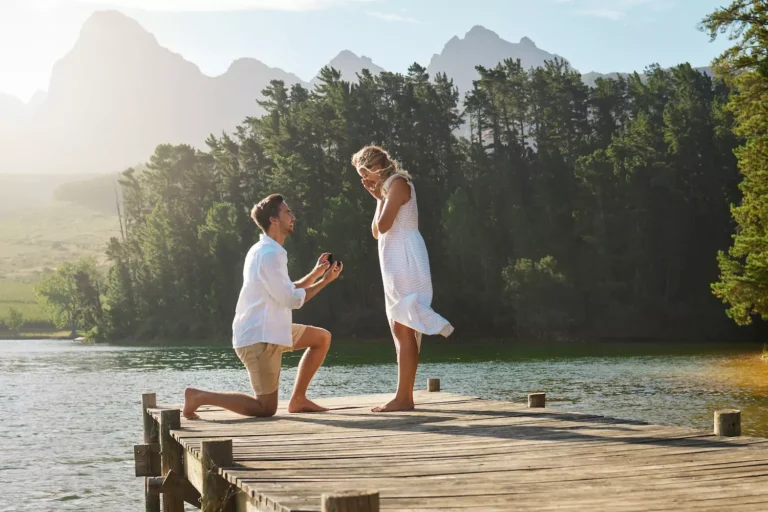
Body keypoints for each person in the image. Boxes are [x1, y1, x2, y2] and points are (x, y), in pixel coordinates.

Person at [183, 193, 342, 419]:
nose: (292, 217)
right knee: (265, 408)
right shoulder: (269, 255)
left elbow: (285, 289)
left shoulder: (264, 250)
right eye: (287, 213)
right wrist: (325, 282)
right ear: (273, 220)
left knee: (321, 338)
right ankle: (198, 397)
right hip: (259, 338)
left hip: (273, 329)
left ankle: (298, 399)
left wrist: (316, 273)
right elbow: (291, 299)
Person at [352, 145, 453, 413]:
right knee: (399, 326)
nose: (363, 180)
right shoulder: (386, 190)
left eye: (363, 173)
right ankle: (404, 396)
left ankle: (404, 398)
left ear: (374, 168)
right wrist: (377, 198)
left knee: (403, 325)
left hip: (406, 256)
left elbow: (384, 226)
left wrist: (381, 196)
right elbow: (376, 231)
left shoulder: (397, 183)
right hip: (393, 257)